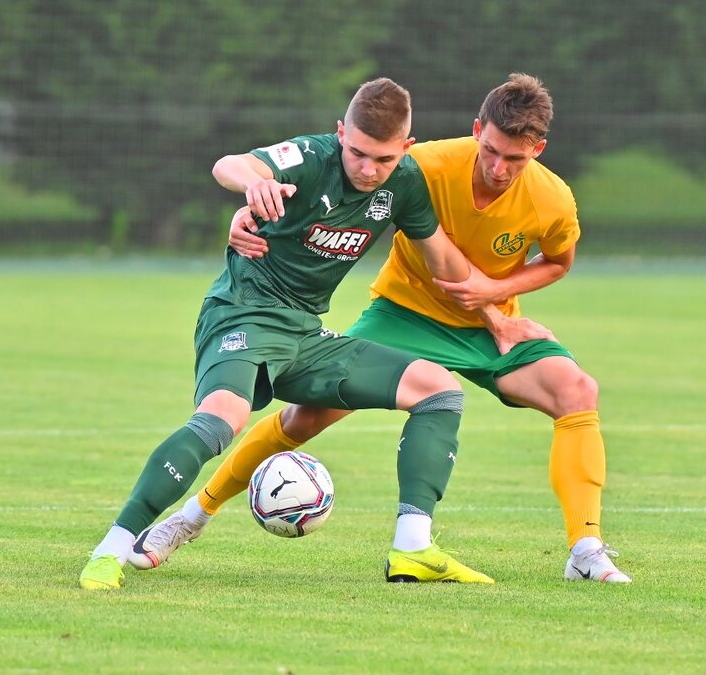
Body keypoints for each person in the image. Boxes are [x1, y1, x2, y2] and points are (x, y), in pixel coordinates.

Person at [130, 74, 632, 584]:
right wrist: (249, 217)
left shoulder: (553, 199)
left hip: (492, 327)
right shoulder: (423, 165)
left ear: (539, 150)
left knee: (576, 390)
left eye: (516, 159)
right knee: (305, 419)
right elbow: (323, 191)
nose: (499, 168)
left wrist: (493, 303)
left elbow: (557, 262)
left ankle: (585, 549)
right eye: (491, 150)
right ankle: (190, 517)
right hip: (404, 314)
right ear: (477, 129)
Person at [80, 77, 504, 590]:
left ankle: (413, 548)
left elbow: (443, 261)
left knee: (439, 391)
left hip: (306, 333)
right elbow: (229, 165)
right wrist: (251, 183)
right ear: (340, 132)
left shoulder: (406, 183)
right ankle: (112, 548)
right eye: (359, 153)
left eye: (384, 160)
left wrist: (498, 316)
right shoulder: (311, 157)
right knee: (222, 420)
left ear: (406, 149)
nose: (369, 169)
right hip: (244, 314)